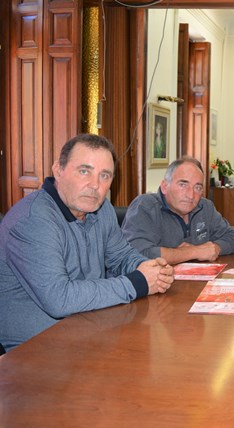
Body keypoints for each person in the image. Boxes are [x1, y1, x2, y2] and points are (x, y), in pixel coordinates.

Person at [0, 134, 174, 352]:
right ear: (58, 170)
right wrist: (138, 282)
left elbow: (121, 255)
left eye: (105, 176)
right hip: (36, 350)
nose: (95, 185)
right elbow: (59, 299)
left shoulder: (100, 209)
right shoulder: (32, 220)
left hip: (89, 329)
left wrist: (152, 269)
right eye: (84, 171)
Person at [122, 157, 234, 264]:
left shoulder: (205, 207)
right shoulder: (145, 206)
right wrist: (193, 252)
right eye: (183, 185)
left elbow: (233, 238)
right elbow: (137, 252)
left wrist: (216, 248)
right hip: (156, 286)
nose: (191, 195)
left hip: (196, 282)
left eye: (197, 187)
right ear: (164, 186)